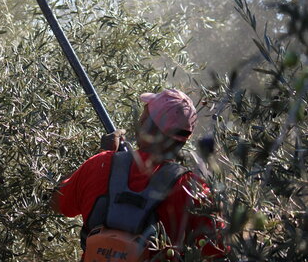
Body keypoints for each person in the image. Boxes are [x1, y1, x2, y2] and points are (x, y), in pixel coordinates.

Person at [50, 89, 227, 261]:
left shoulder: (100, 164)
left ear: (146, 125)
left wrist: (102, 155)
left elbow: (58, 203)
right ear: (184, 140)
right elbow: (217, 253)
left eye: (144, 116)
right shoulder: (194, 189)